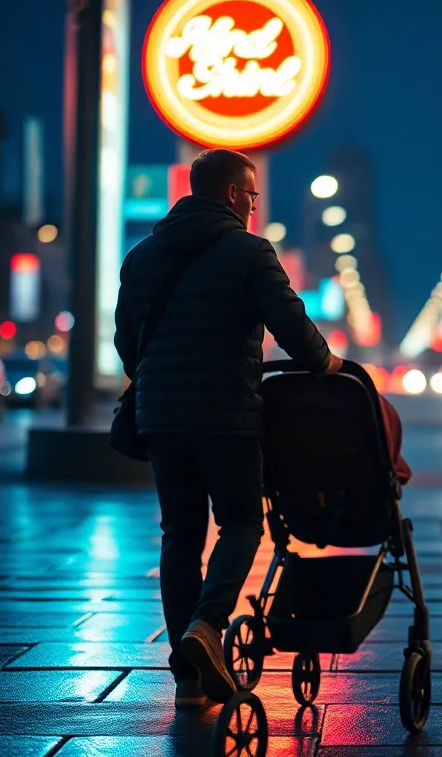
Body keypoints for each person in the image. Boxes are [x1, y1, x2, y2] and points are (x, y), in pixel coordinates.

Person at [114, 148, 343, 708]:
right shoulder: (249, 251)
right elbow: (291, 323)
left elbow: (127, 340)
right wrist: (326, 364)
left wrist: (159, 383)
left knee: (180, 536)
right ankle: (208, 625)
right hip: (227, 416)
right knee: (241, 523)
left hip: (160, 417)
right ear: (233, 195)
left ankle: (187, 675)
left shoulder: (142, 256)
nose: (254, 204)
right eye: (252, 194)